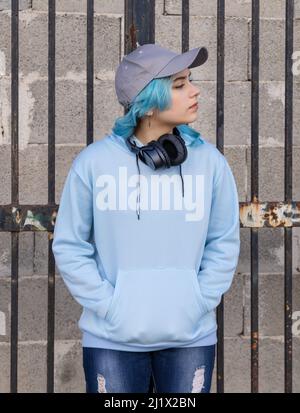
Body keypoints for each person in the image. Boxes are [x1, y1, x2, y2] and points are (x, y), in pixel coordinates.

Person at [52, 43, 240, 393]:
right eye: (180, 84)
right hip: (111, 341)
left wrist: (197, 302)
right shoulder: (93, 164)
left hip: (190, 338)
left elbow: (223, 242)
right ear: (149, 99)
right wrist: (110, 307)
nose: (195, 90)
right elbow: (69, 246)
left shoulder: (211, 163)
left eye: (190, 81)